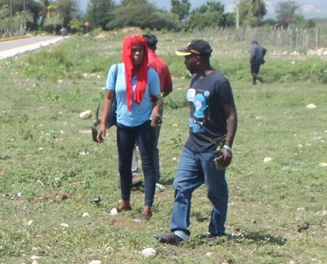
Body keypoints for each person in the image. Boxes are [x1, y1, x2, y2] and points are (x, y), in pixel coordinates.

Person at [156, 39, 238, 246]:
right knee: (181, 185)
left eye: (188, 58)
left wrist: (227, 146)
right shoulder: (195, 79)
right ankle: (179, 232)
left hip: (212, 148)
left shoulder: (219, 82)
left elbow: (231, 115)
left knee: (215, 191)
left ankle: (217, 232)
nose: (185, 62)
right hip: (192, 146)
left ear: (198, 59)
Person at [96, 34, 161, 221]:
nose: (137, 54)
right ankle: (125, 202)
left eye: (140, 50)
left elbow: (157, 99)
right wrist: (103, 124)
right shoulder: (116, 70)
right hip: (123, 124)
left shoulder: (150, 74)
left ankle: (147, 208)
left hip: (144, 124)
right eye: (134, 50)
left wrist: (155, 112)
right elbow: (109, 98)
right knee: (124, 165)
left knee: (148, 166)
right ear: (127, 51)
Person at [131, 33, 173, 193]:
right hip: (158, 105)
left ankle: (134, 173)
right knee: (152, 144)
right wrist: (159, 99)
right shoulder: (162, 63)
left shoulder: (142, 63)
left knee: (131, 141)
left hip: (141, 105)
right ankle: (154, 177)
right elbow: (168, 88)